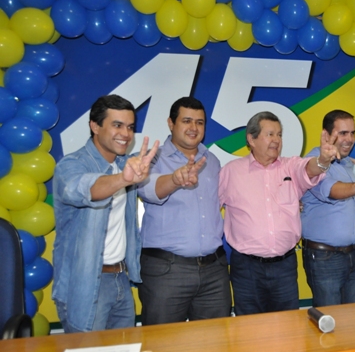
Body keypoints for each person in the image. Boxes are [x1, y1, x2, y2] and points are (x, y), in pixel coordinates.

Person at [52, 94, 159, 333]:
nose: (126, 134)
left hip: (120, 279)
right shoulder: (71, 165)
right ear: (95, 126)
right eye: (117, 125)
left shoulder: (124, 164)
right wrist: (123, 179)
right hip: (85, 284)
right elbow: (85, 188)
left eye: (130, 127)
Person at [219, 111, 337, 315]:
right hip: (247, 268)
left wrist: (323, 161)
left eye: (279, 135)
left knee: (287, 327)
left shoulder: (290, 166)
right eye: (270, 134)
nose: (276, 140)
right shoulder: (231, 171)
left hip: (284, 267)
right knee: (248, 328)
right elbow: (211, 208)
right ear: (251, 139)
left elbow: (309, 169)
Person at [137, 97, 231, 325]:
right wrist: (174, 179)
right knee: (163, 343)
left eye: (200, 122)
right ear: (171, 123)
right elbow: (148, 191)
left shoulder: (212, 161)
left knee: (214, 342)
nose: (194, 128)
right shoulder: (152, 158)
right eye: (186, 121)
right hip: (167, 272)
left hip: (214, 271)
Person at [300, 110, 355, 307]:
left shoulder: (349, 164)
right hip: (325, 258)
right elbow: (331, 191)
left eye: (352, 133)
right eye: (343, 133)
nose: (350, 139)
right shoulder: (313, 163)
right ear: (326, 134)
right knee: (330, 319)